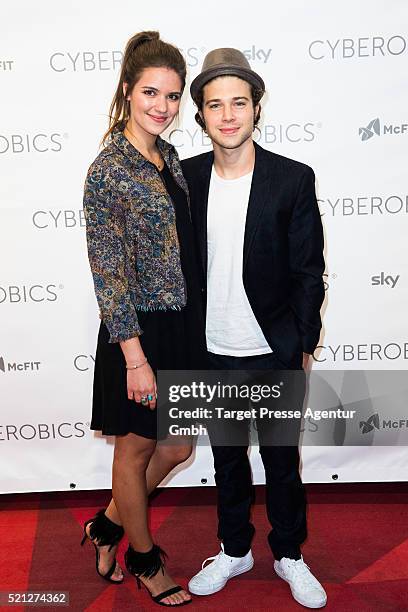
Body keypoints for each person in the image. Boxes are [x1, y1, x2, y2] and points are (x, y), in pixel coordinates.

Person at [181, 49, 327, 608]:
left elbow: (309, 271)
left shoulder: (291, 178)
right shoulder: (186, 178)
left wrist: (303, 343)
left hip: (273, 350)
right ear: (200, 115)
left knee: (282, 461)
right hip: (210, 349)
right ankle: (235, 548)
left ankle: (289, 553)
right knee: (225, 458)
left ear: (256, 108)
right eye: (214, 104)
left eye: (238, 102)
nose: (227, 115)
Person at [81, 31, 204, 607]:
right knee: (133, 452)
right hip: (139, 333)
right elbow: (109, 273)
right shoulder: (108, 169)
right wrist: (135, 358)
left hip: (180, 325)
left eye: (174, 95)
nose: (163, 105)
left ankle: (107, 525)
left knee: (177, 447)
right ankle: (144, 558)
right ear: (128, 90)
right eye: (152, 92)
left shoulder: (167, 155)